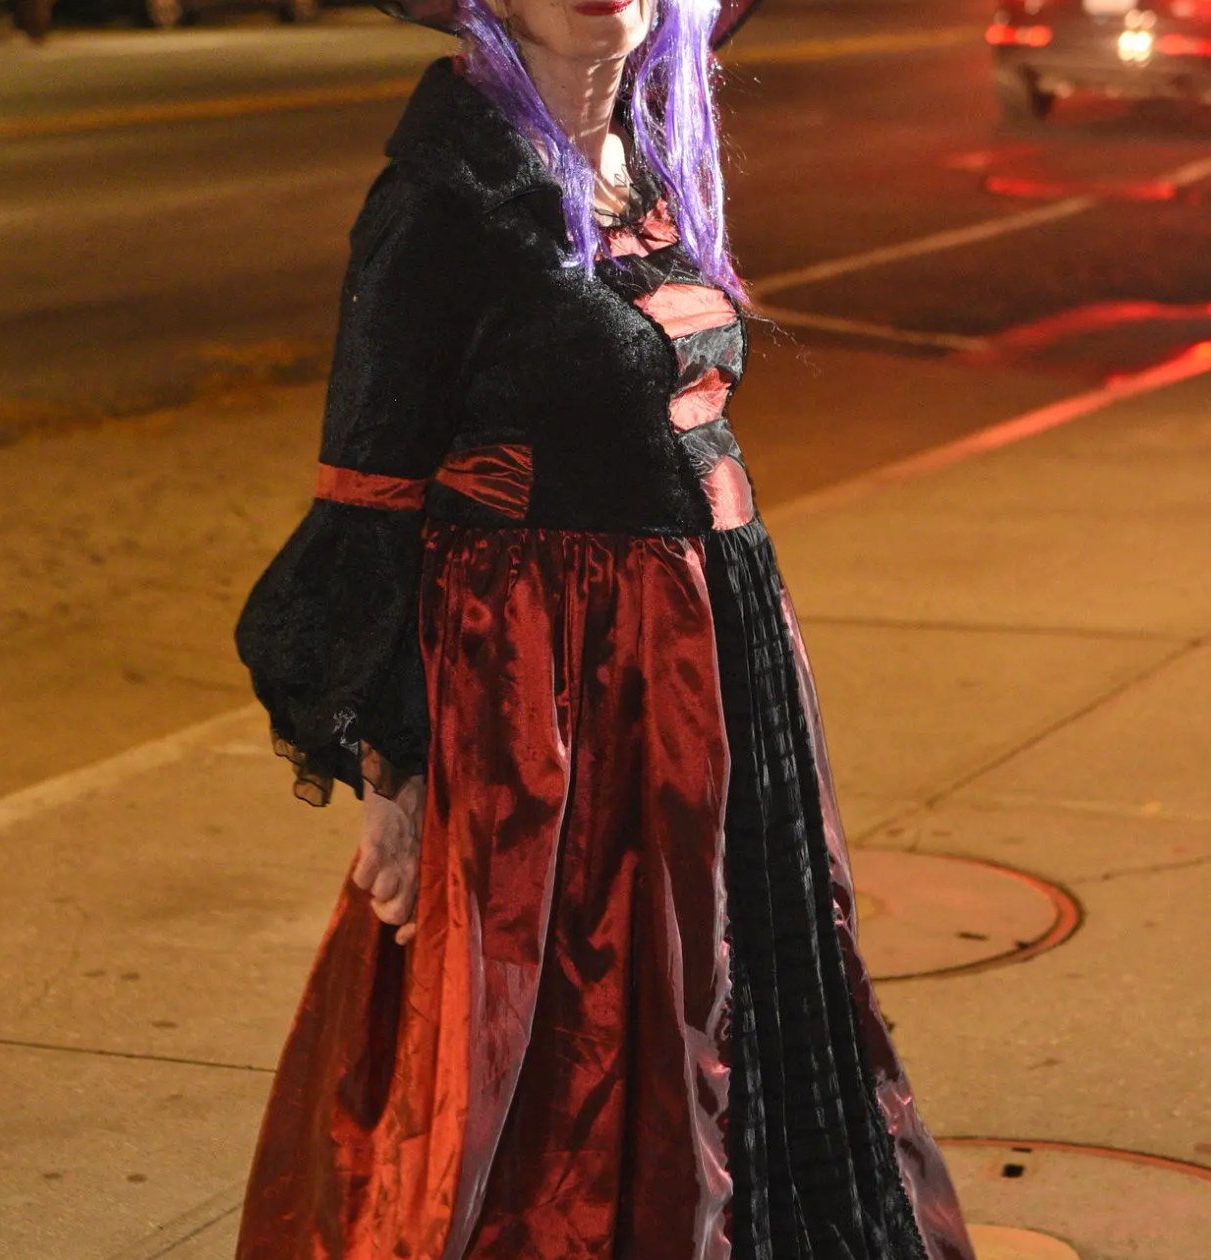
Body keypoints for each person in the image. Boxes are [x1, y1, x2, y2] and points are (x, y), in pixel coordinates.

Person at [231, 0, 976, 1252]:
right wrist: (394, 777)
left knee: (731, 999)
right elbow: (368, 499)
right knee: (562, 1051)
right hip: (547, 705)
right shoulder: (443, 200)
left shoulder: (647, 164)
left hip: (706, 662)